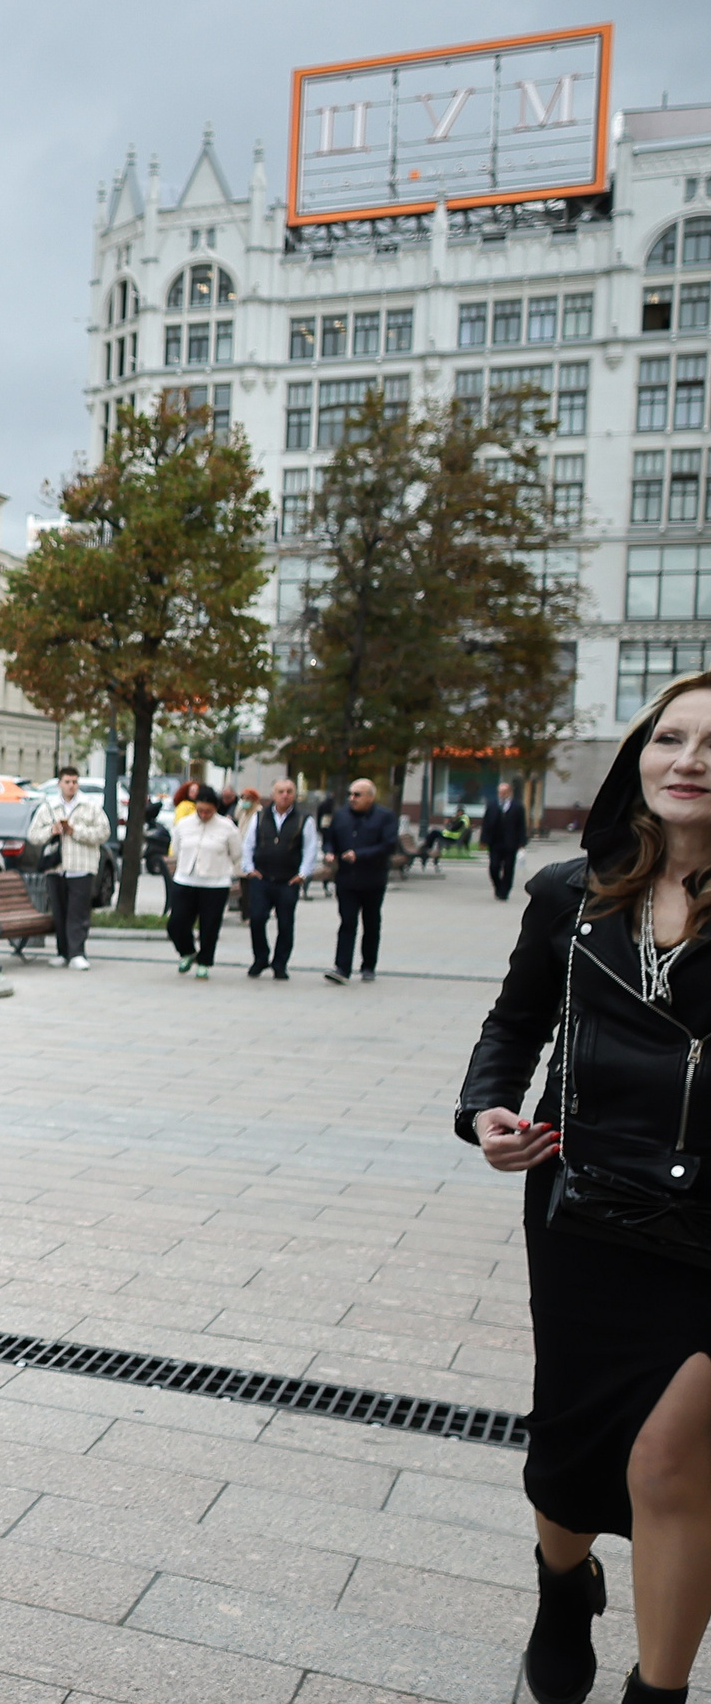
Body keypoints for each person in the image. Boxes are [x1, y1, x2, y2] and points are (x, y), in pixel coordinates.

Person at [458, 670, 711, 1704]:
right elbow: (511, 1028)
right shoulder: (569, 894)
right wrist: (487, 1113)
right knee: (565, 1459)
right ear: (638, 756)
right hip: (581, 1214)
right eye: (670, 737)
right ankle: (563, 1585)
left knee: (663, 1463)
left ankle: (658, 1691)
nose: (688, 760)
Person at [23, 766, 108, 970]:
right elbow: (33, 835)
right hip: (56, 867)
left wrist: (74, 831)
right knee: (59, 911)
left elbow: (103, 832)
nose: (72, 786)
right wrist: (52, 830)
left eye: (75, 782)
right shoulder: (49, 807)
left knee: (77, 912)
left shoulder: (90, 806)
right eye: (68, 782)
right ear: (59, 784)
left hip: (82, 866)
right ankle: (63, 952)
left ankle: (77, 953)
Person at [323, 777, 399, 984]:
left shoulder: (385, 817)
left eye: (357, 795)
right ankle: (342, 967)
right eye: (350, 794)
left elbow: (389, 845)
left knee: (371, 922)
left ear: (371, 797)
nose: (352, 798)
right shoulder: (341, 816)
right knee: (347, 922)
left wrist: (360, 854)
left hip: (372, 878)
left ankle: (368, 966)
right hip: (347, 879)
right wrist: (329, 852)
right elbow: (330, 839)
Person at [244, 778, 319, 980]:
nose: (285, 795)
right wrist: (249, 869)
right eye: (281, 791)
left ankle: (280, 964)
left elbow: (310, 849)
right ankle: (260, 958)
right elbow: (249, 844)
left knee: (286, 924)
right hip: (262, 878)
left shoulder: (304, 819)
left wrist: (303, 874)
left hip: (288, 881)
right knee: (257, 919)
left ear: (294, 794)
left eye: (289, 791)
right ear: (273, 794)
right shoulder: (260, 817)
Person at [166, 790, 243, 979]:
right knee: (176, 923)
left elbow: (236, 853)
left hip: (215, 883)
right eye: (200, 810)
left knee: (209, 925)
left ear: (215, 809)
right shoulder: (184, 824)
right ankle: (188, 951)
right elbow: (176, 848)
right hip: (186, 879)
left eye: (208, 811)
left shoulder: (227, 827)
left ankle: (205, 961)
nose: (204, 814)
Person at [485, 780, 531, 902]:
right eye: (500, 792)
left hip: (511, 843)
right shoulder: (492, 805)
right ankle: (498, 886)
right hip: (495, 842)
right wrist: (483, 840)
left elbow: (521, 826)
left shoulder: (517, 806)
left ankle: (505, 891)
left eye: (504, 792)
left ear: (509, 792)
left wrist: (522, 842)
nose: (502, 794)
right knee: (493, 867)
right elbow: (486, 823)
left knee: (508, 868)